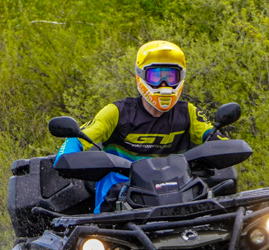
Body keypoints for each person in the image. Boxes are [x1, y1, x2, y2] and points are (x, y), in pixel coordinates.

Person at [56, 40, 223, 211]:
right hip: (120, 200)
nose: (163, 84)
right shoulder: (116, 112)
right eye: (156, 77)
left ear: (181, 78)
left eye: (171, 77)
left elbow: (217, 140)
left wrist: (223, 148)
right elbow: (78, 138)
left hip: (180, 196)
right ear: (141, 76)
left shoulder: (189, 113)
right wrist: (66, 158)